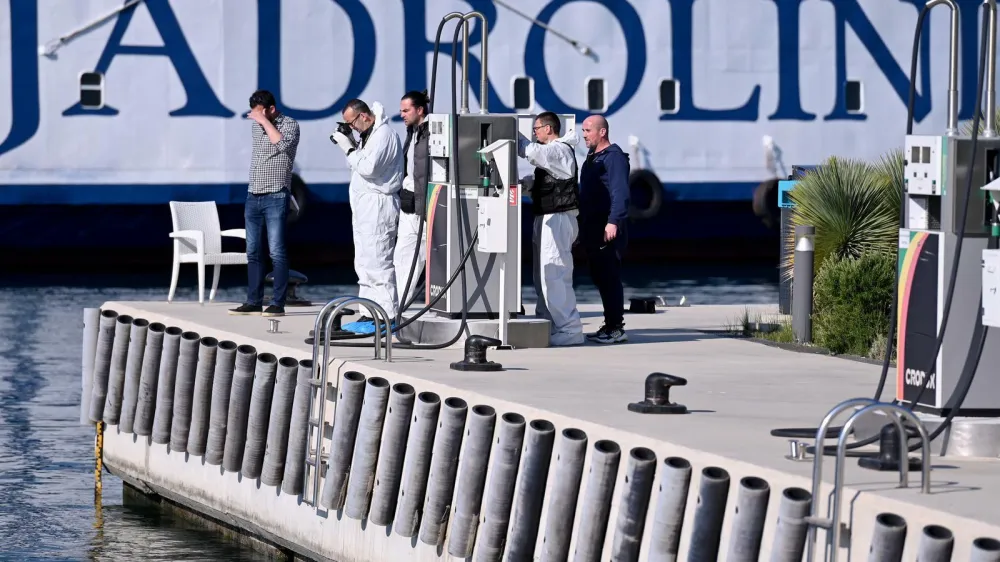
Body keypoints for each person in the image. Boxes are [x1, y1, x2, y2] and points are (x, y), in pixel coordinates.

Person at [329, 98, 404, 334]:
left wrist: (348, 147)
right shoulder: (368, 136)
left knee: (379, 261)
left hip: (379, 206)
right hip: (365, 207)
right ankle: (370, 312)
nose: (351, 128)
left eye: (352, 123)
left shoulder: (384, 135)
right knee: (364, 262)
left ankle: (388, 315)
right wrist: (352, 143)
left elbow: (369, 169)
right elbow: (358, 166)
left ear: (364, 116)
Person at [229, 89, 300, 318]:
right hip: (253, 195)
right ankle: (253, 301)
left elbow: (281, 145)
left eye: (261, 113)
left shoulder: (290, 124)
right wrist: (259, 120)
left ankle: (278, 303)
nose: (256, 118)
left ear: (271, 109)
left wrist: (262, 120)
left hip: (276, 196)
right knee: (253, 251)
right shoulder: (256, 126)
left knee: (277, 251)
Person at [517, 111, 584, 346]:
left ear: (548, 129)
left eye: (536, 129)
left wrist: (513, 136)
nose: (534, 134)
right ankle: (548, 321)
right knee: (542, 275)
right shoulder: (553, 155)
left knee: (554, 272)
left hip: (558, 219)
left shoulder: (560, 149)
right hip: (546, 216)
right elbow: (548, 181)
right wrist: (528, 185)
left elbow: (536, 154)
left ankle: (569, 329)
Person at [578, 115, 630, 344]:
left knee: (609, 276)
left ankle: (616, 328)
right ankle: (609, 324)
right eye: (583, 130)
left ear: (602, 132)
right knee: (598, 275)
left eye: (588, 130)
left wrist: (614, 221)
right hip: (591, 227)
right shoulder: (592, 158)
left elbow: (620, 192)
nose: (584, 134)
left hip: (605, 227)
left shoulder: (614, 158)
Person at [394, 90, 431, 311]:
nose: (402, 115)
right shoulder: (413, 132)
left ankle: (400, 307)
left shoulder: (430, 134)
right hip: (408, 203)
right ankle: (397, 306)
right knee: (402, 257)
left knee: (413, 258)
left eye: (406, 110)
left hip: (422, 206)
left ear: (420, 110)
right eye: (401, 110)